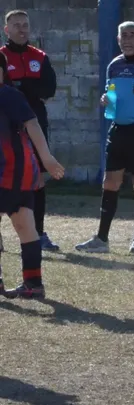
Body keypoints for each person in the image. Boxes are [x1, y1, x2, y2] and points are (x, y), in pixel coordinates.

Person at [76, 21, 134, 254]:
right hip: (118, 130)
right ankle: (101, 239)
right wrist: (105, 100)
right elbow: (111, 95)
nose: (127, 39)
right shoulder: (114, 66)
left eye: (132, 35)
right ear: (118, 40)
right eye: (123, 36)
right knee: (110, 182)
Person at [0, 52, 65, 299]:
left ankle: (33, 283)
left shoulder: (8, 95)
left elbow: (32, 123)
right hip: (14, 171)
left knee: (25, 223)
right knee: (25, 223)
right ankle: (33, 283)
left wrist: (46, 158)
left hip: (13, 170)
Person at [0, 10, 59, 251]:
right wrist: (27, 87)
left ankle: (40, 232)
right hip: (6, 128)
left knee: (37, 178)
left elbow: (49, 88)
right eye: (16, 25)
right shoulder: (2, 56)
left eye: (25, 25)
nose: (22, 29)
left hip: (35, 123)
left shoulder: (40, 57)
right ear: (7, 30)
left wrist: (21, 86)